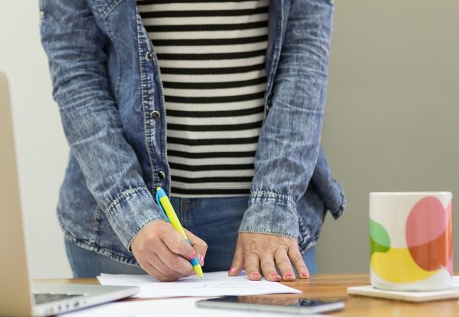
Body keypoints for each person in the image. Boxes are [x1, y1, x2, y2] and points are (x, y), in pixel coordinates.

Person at [39, 0, 345, 283]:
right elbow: (76, 67)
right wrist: (131, 210)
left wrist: (275, 202)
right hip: (124, 230)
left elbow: (306, 53)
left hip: (260, 225)